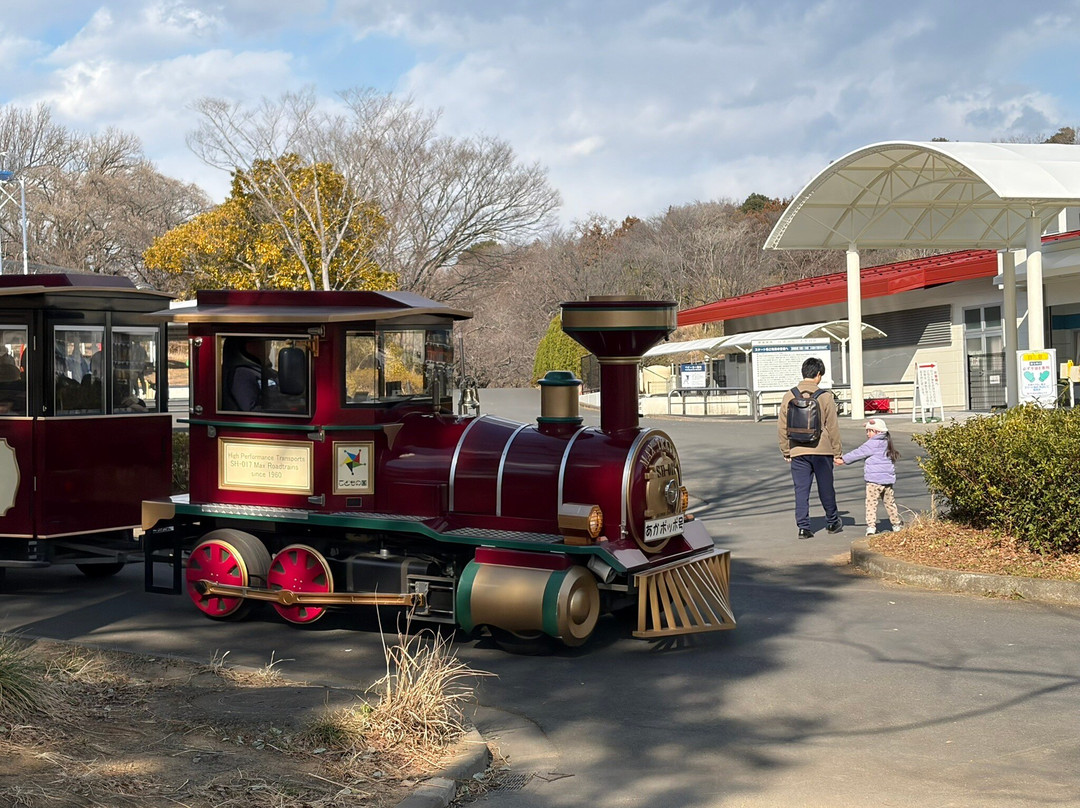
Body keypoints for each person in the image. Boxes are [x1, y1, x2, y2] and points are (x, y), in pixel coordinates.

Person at [778, 357, 843, 539]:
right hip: (822, 450)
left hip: (798, 450)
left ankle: (803, 528)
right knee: (826, 487)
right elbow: (833, 427)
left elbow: (782, 426)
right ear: (818, 374)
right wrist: (837, 452)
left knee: (801, 490)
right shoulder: (825, 397)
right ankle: (832, 521)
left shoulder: (789, 395)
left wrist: (786, 450)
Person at [837, 417, 904, 536]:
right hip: (887, 480)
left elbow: (858, 453)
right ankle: (896, 524)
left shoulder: (871, 444)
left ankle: (871, 526)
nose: (867, 434)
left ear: (878, 432)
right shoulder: (887, 443)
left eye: (870, 431)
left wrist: (843, 459)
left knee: (871, 504)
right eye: (867, 431)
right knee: (890, 503)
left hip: (873, 481)